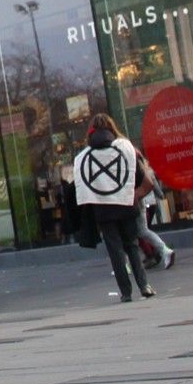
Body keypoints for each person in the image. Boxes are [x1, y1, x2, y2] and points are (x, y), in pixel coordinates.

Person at [71, 115, 157, 303]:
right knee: (132, 246)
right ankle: (144, 286)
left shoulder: (84, 157)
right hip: (126, 206)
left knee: (115, 251)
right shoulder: (125, 149)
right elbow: (147, 182)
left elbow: (81, 186)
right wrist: (132, 195)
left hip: (104, 211)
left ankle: (125, 292)